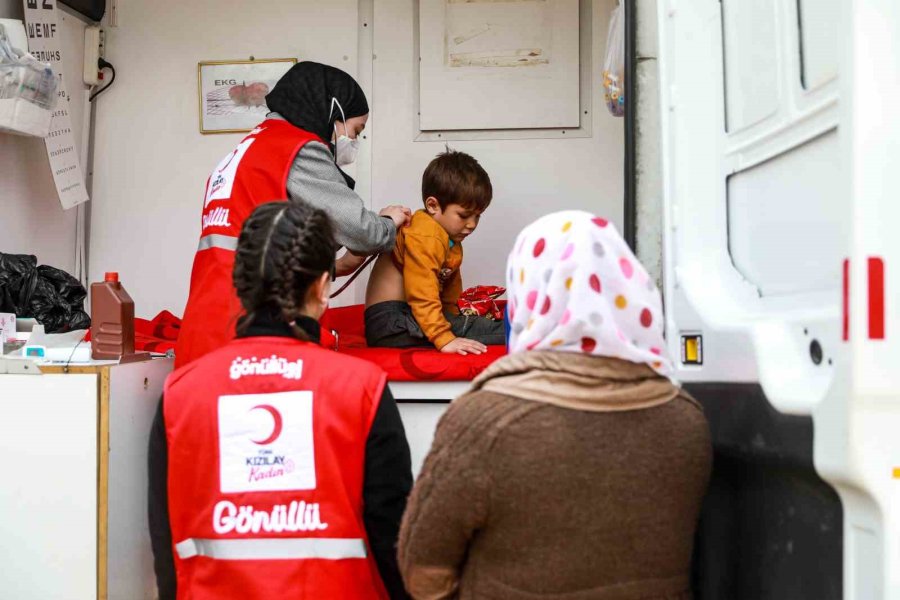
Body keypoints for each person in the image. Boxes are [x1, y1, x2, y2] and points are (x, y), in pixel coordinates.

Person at [397, 211, 712, 599]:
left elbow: (423, 571)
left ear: (527, 298)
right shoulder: (686, 419)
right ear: (632, 293)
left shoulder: (484, 422)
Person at [149, 201, 413, 600]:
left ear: (240, 286)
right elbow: (393, 541)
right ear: (323, 287)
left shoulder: (180, 393)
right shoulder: (363, 389)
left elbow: (167, 548)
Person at [175, 61, 411, 368]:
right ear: (332, 114)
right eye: (355, 130)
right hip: (251, 332)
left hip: (207, 325)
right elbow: (361, 231)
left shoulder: (247, 148)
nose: (354, 141)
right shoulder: (296, 148)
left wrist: (335, 266)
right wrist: (388, 222)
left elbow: (262, 245)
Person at [364, 149, 505, 355]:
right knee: (480, 329)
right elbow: (422, 293)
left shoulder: (449, 237)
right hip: (391, 323)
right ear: (433, 206)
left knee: (465, 323)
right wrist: (444, 338)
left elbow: (449, 288)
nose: (472, 224)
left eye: (477, 216)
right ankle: (531, 331)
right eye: (464, 215)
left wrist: (454, 317)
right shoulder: (425, 235)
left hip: (405, 316)